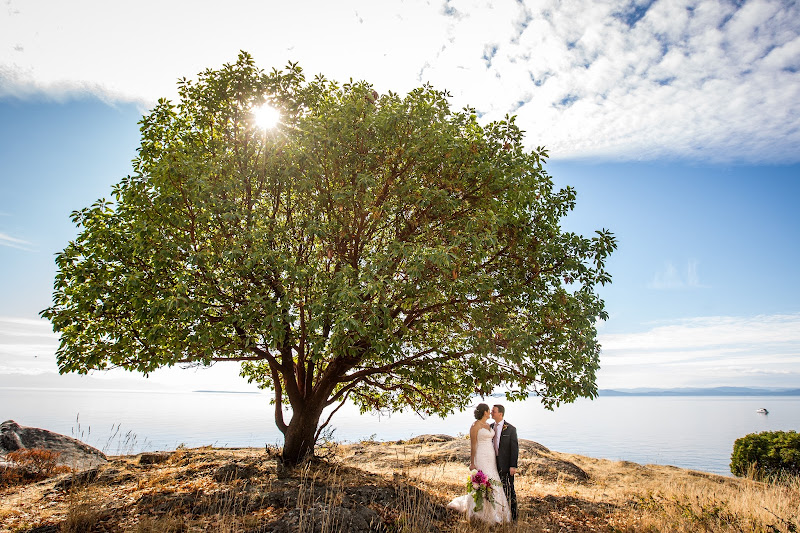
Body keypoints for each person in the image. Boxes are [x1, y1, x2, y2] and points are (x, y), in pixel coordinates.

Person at [447, 403, 511, 524]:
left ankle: (497, 512)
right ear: (484, 412)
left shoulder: (488, 425)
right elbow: (473, 445)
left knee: (493, 480)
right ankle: (480, 512)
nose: (490, 412)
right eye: (489, 410)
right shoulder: (475, 426)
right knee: (483, 481)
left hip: (491, 457)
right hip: (480, 456)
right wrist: (472, 462)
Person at [491, 404, 519, 521]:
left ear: (500, 414)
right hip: (492, 463)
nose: (491, 413)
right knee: (495, 489)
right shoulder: (490, 427)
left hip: (506, 464)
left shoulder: (511, 429)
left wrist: (513, 465)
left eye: (494, 411)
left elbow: (514, 448)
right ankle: (499, 514)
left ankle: (514, 516)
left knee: (509, 489)